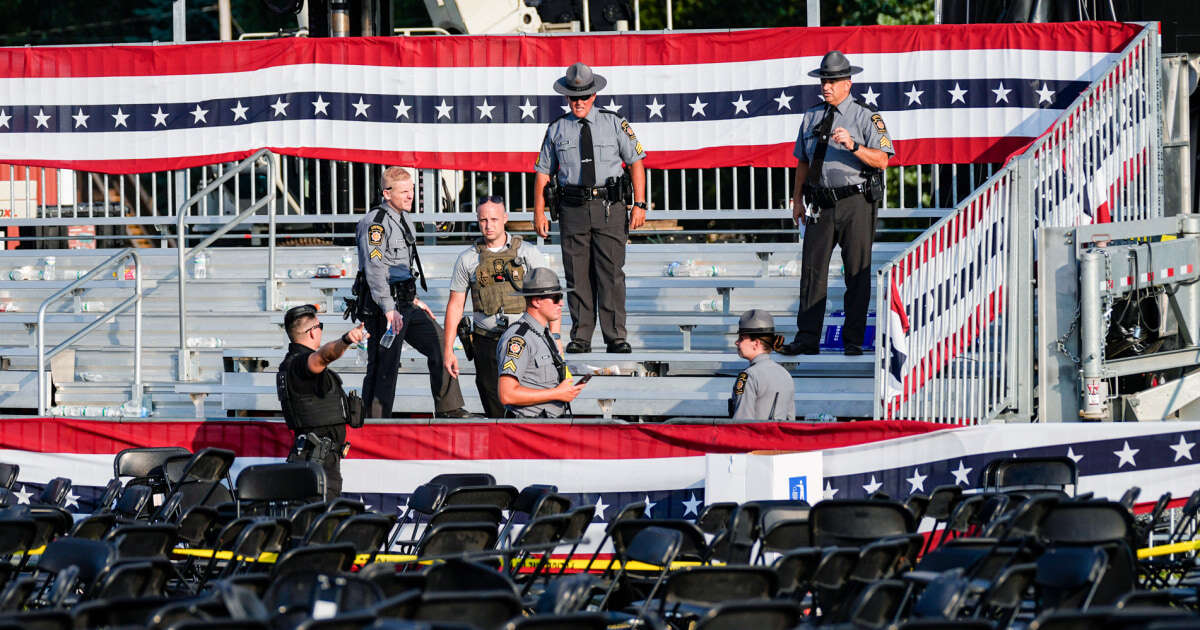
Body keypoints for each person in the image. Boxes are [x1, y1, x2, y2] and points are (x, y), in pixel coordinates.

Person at [780, 50, 894, 357]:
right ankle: (807, 338)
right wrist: (797, 199)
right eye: (823, 80)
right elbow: (803, 161)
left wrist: (854, 145)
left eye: (832, 81)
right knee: (812, 272)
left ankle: (853, 340)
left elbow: (882, 160)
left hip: (855, 201)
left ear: (848, 82)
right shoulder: (811, 116)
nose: (826, 86)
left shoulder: (866, 116)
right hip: (820, 203)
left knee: (856, 272)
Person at [533, 61, 648, 354]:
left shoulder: (614, 123)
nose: (578, 102)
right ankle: (581, 336)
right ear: (566, 98)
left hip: (609, 207)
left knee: (610, 274)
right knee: (577, 275)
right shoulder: (557, 128)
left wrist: (640, 204)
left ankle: (615, 336)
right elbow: (543, 172)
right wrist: (538, 211)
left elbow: (636, 162)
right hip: (572, 209)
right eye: (573, 97)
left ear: (594, 95)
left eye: (584, 96)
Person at [353, 166, 473, 418]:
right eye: (404, 191)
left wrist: (414, 299)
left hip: (406, 301)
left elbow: (401, 268)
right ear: (387, 193)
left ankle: (449, 408)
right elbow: (375, 271)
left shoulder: (404, 218)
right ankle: (374, 422)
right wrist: (388, 309)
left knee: (440, 343)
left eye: (412, 191)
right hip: (384, 307)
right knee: (385, 365)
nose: (410, 196)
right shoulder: (375, 225)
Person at [443, 196, 556, 418]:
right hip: (487, 341)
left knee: (529, 406)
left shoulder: (527, 253)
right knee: (494, 408)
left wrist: (555, 337)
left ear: (505, 218)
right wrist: (448, 350)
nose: (488, 225)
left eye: (494, 219)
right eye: (483, 219)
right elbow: (455, 304)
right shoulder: (468, 259)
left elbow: (549, 297)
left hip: (524, 341)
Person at [277, 304, 368, 499]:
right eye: (320, 326)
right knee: (321, 524)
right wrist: (346, 340)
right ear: (312, 332)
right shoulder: (300, 363)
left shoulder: (292, 363)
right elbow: (324, 356)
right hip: (317, 463)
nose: (321, 332)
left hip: (315, 460)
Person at [496, 268, 588, 418]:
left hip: (549, 424)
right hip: (530, 428)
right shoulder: (519, 339)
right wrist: (557, 393)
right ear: (537, 301)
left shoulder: (544, 334)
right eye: (556, 298)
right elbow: (508, 394)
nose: (561, 304)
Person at [730, 309, 796, 421]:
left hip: (756, 438)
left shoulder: (748, 376)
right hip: (780, 438)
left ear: (756, 343)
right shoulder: (785, 374)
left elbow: (742, 423)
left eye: (741, 338)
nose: (737, 342)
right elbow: (791, 420)